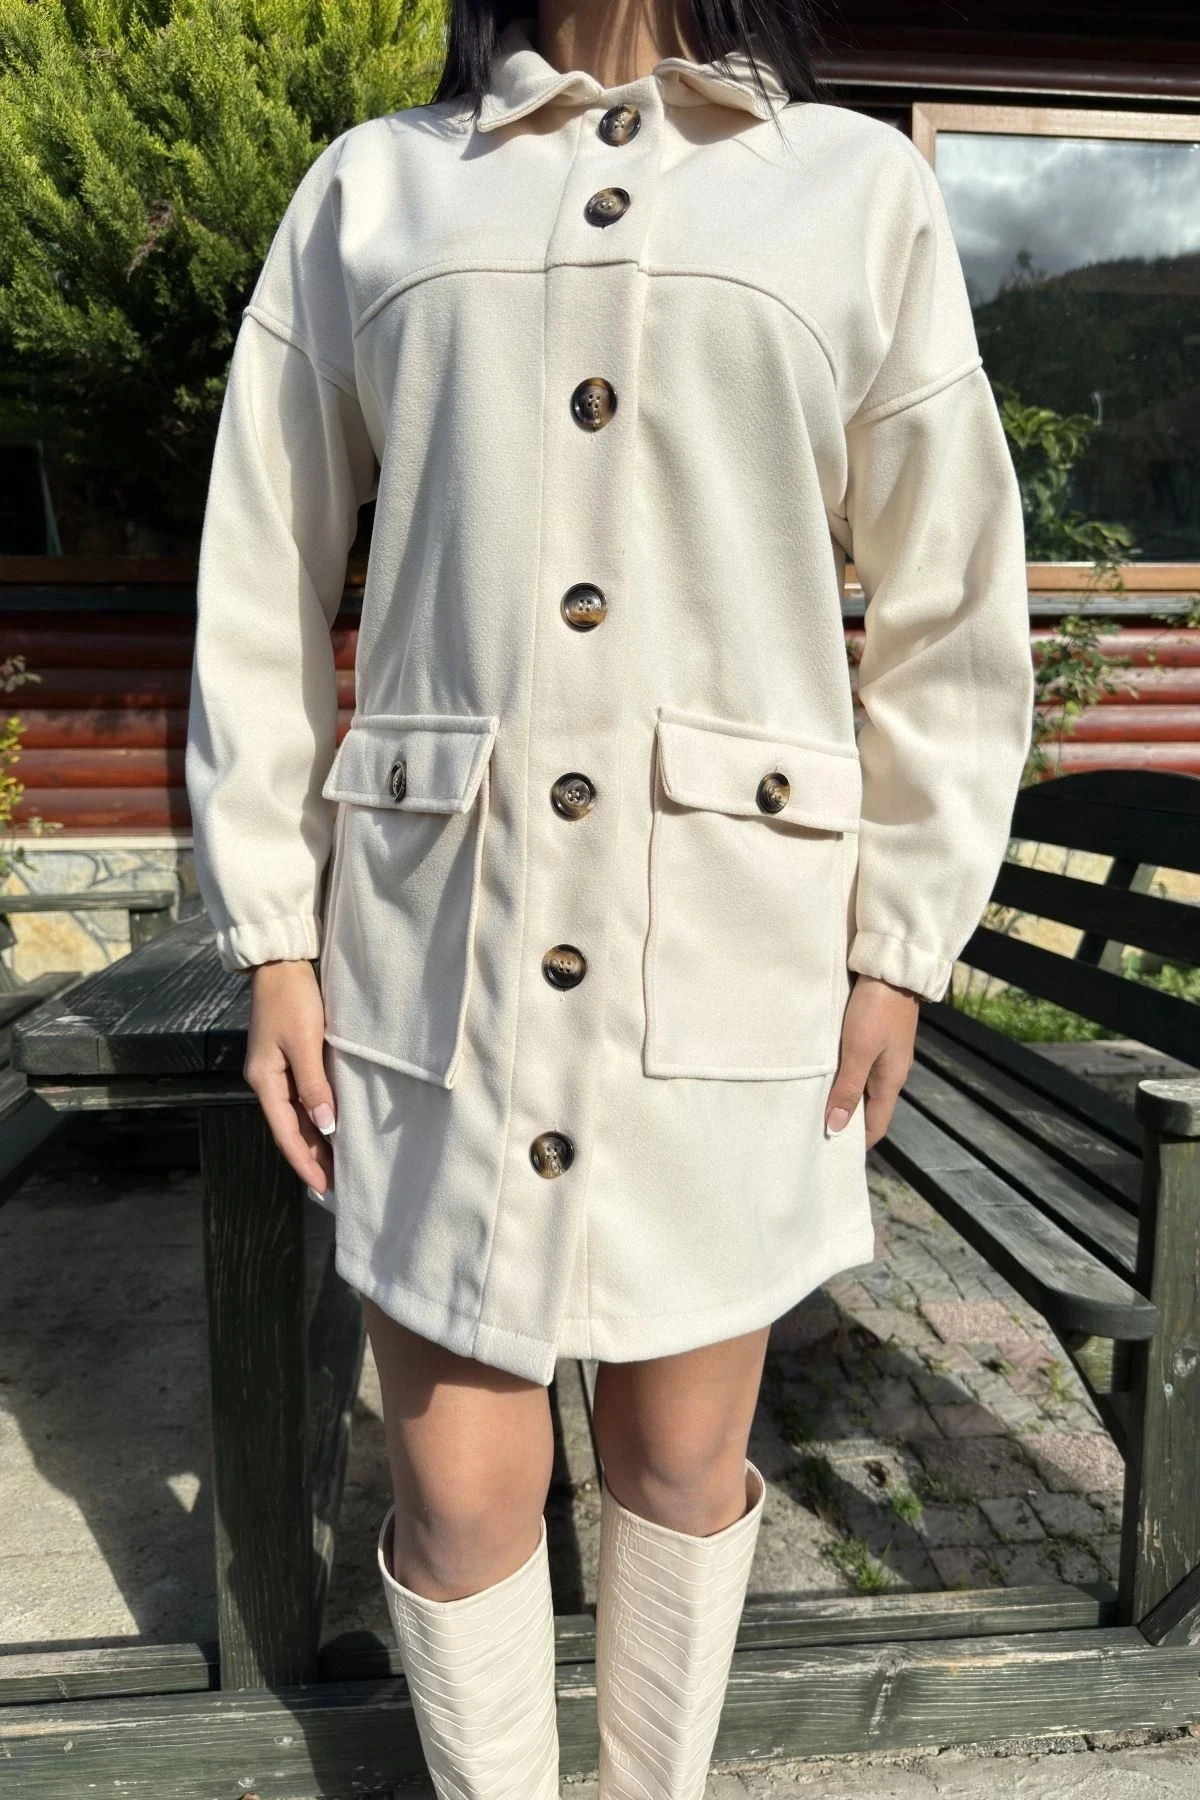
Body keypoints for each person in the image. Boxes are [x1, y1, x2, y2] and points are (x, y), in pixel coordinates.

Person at [185, 0, 1036, 1794]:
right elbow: (261, 565)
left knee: (678, 1464)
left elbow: (955, 591)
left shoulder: (851, 187)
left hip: (730, 935)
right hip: (441, 937)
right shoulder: (376, 190)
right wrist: (273, 930)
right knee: (456, 1490)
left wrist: (902, 943)